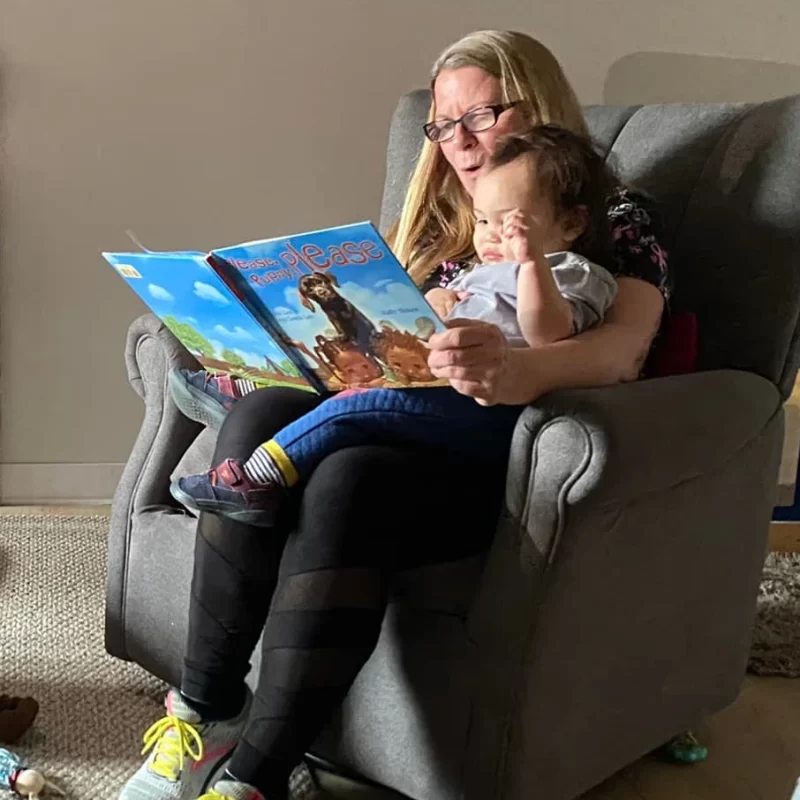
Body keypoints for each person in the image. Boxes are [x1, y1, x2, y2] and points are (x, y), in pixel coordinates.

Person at [120, 30, 670, 800]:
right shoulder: (452, 224)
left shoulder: (606, 219)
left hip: (488, 441)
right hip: (396, 406)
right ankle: (205, 709)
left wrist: (514, 370)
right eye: (443, 127)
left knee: (349, 475)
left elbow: (624, 352)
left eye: (479, 118)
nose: (459, 143)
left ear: (535, 107)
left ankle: (254, 777)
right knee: (261, 420)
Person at [170, 125, 619, 527]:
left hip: (484, 402)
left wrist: (531, 264)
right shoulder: (476, 272)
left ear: (571, 222)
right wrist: (432, 303)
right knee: (350, 370)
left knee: (357, 405)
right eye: (483, 220)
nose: (491, 236)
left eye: (511, 223)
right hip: (428, 376)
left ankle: (257, 479)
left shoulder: (572, 271)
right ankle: (256, 386)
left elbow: (549, 333)